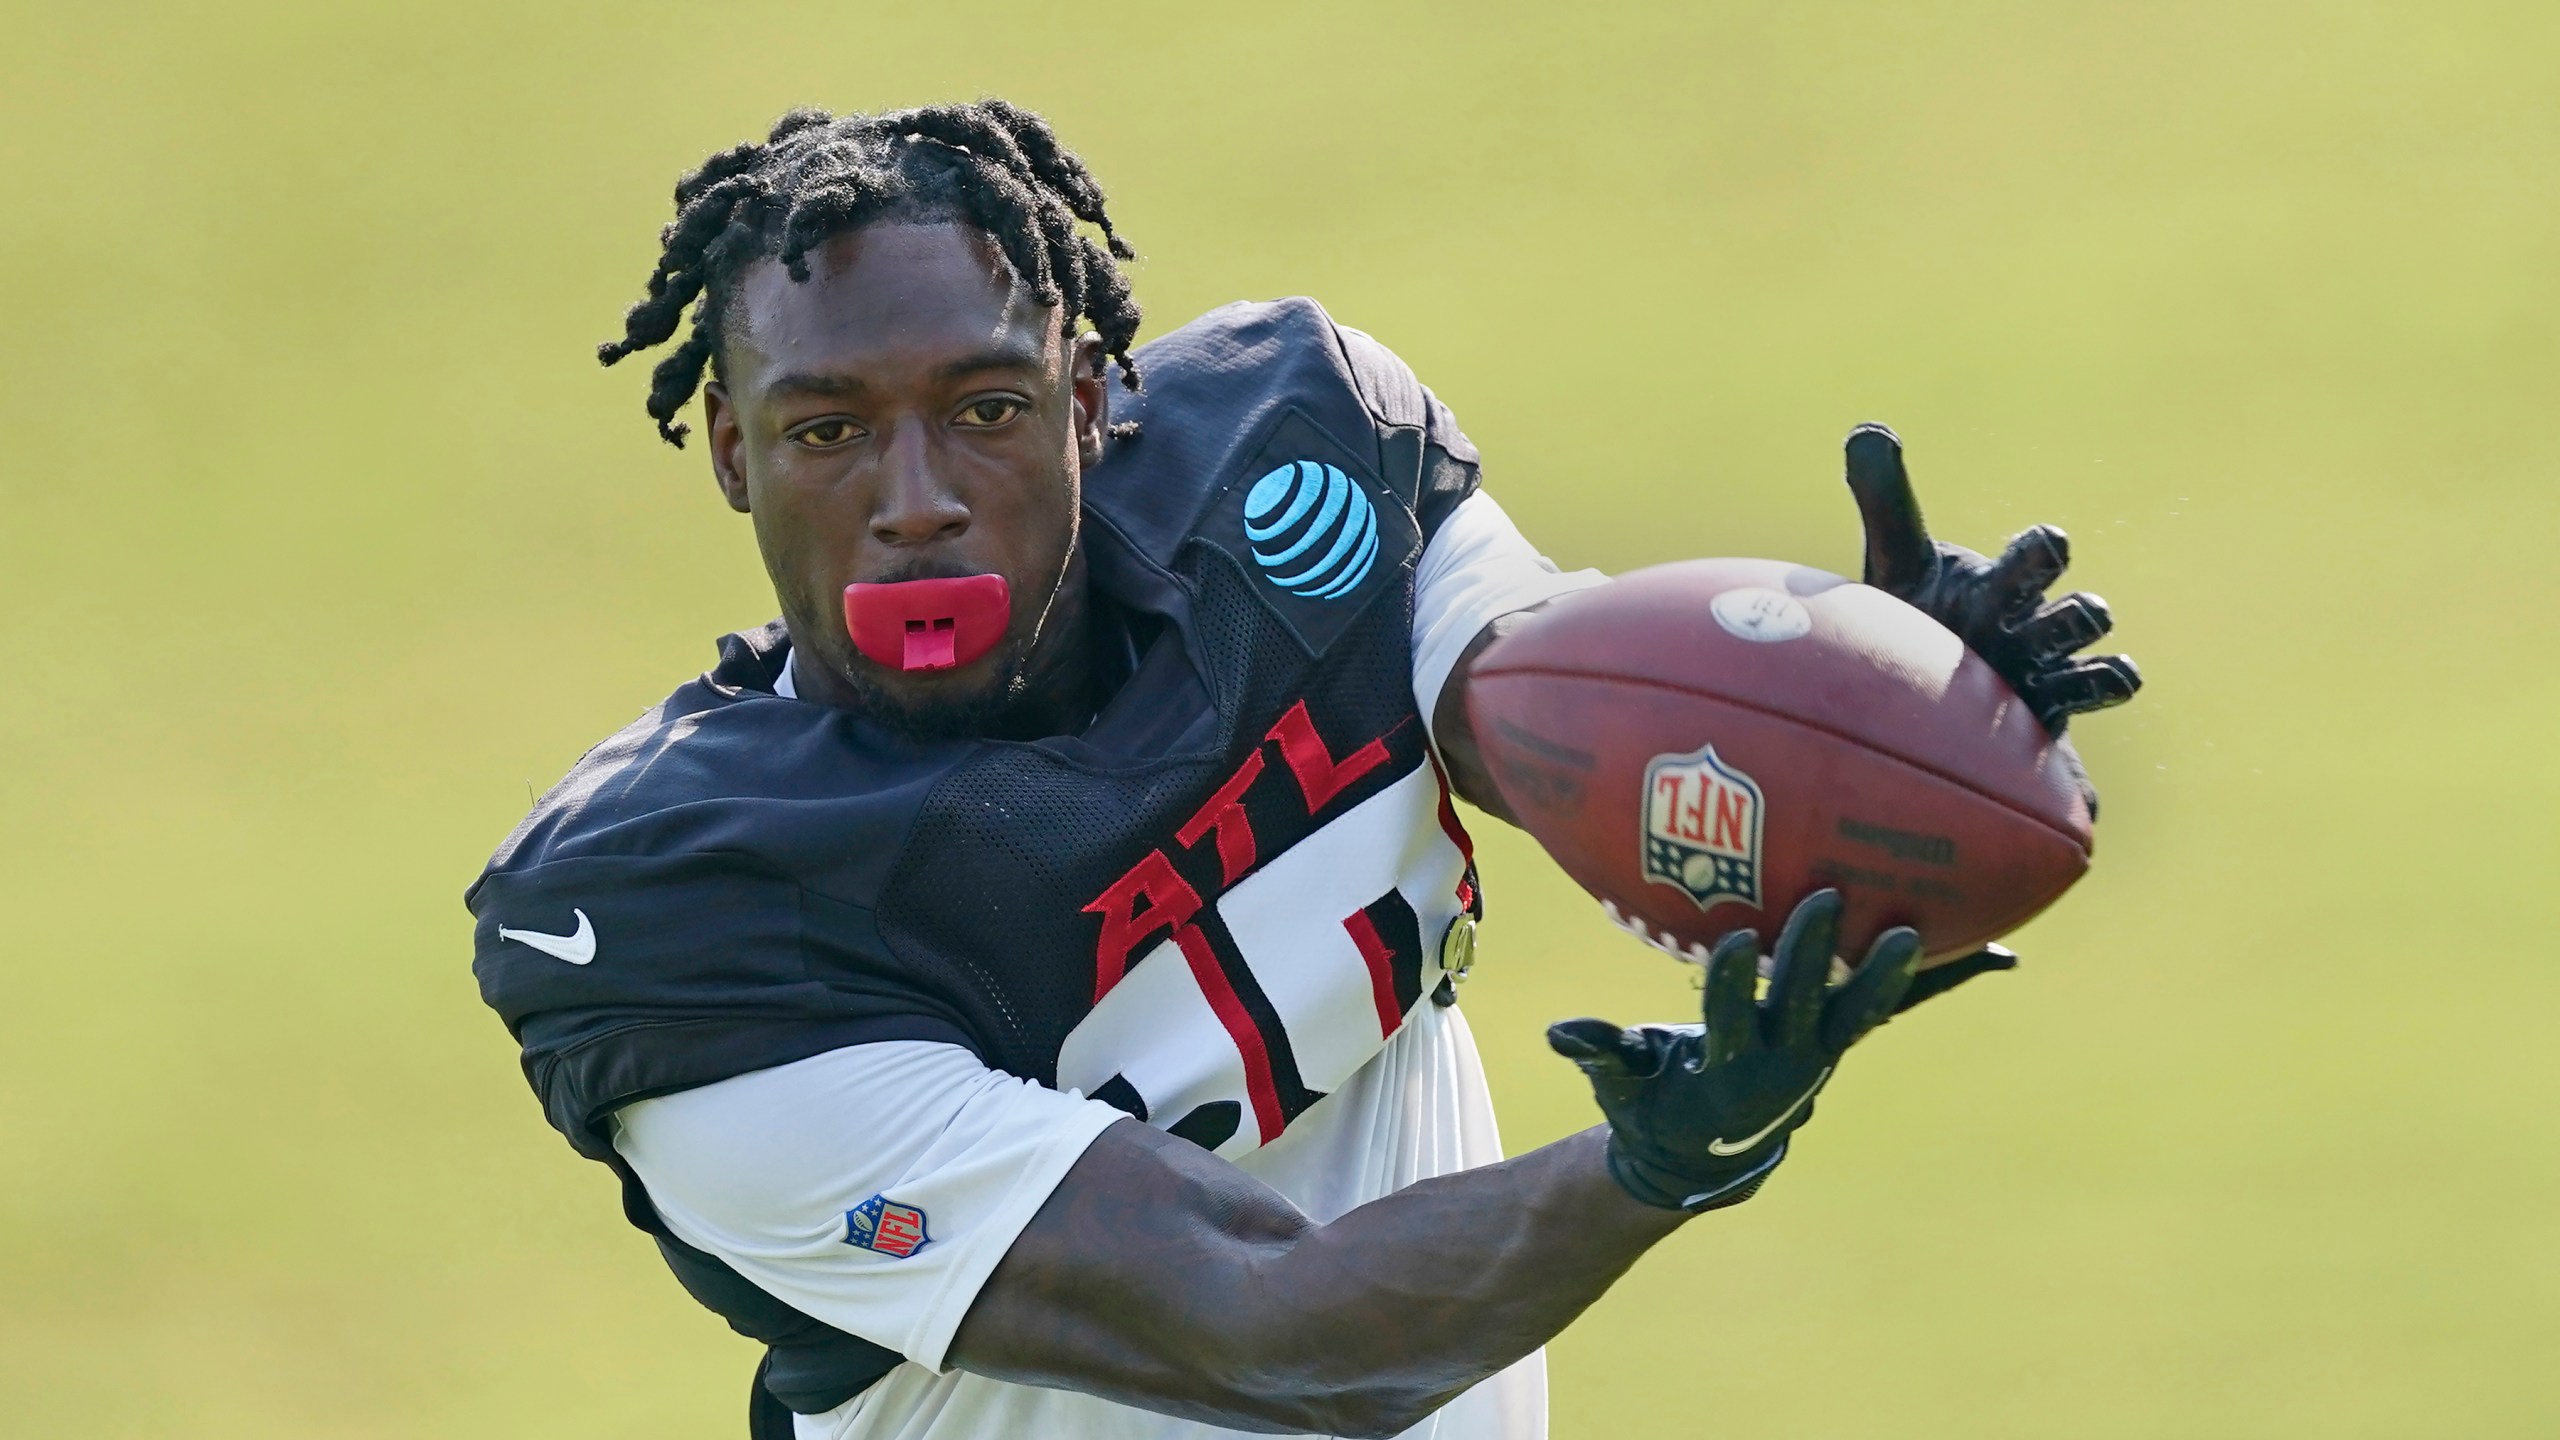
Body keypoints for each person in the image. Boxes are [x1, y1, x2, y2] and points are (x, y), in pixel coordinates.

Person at [466, 100, 2141, 1440]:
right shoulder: (697, 916)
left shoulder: (1297, 472)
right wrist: (1668, 1157)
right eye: (830, 430)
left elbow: (1543, 713)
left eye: (984, 408)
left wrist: (1867, 705)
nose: (915, 498)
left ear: (1094, 399)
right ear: (735, 454)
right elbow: (1287, 1333)